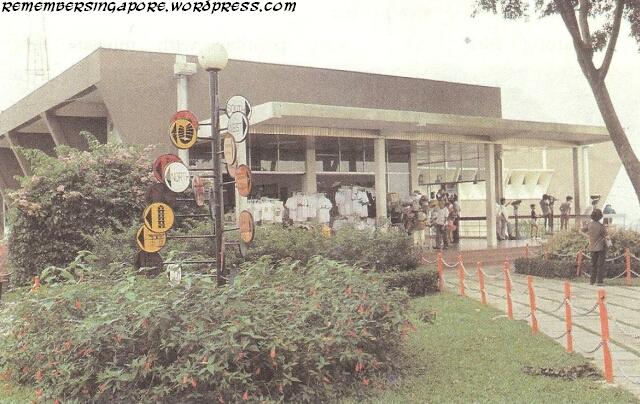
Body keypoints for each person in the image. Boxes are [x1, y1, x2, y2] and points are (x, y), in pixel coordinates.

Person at [582, 208, 608, 286]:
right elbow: (606, 236)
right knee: (600, 264)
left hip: (592, 247)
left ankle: (592, 281)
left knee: (593, 264)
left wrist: (587, 236)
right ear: (600, 216)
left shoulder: (589, 225)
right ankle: (599, 281)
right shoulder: (601, 226)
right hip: (601, 247)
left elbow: (581, 230)